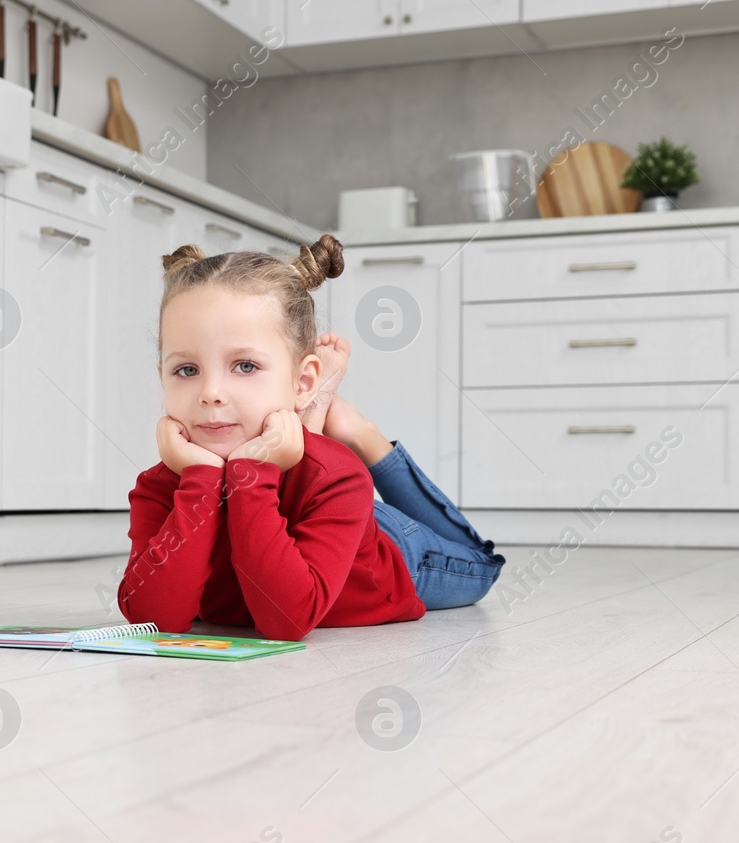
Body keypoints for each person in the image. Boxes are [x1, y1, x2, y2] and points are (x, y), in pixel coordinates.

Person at [116, 233, 505, 642]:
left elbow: (286, 620)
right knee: (310, 468)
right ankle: (309, 423)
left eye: (245, 366)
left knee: (482, 565)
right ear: (161, 376)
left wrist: (252, 473)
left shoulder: (340, 477)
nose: (211, 393)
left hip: (384, 555)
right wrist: (201, 482)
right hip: (305, 495)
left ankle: (360, 434)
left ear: (301, 380)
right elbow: (154, 619)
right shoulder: (160, 486)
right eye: (187, 370)